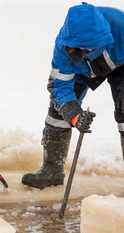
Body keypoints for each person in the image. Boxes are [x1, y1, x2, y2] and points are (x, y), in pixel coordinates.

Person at [22, 3, 124, 189]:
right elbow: (59, 86)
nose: (82, 52)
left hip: (121, 64)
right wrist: (75, 116)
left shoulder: (120, 25)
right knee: (58, 111)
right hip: (82, 71)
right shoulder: (64, 44)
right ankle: (52, 170)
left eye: (88, 48)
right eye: (78, 48)